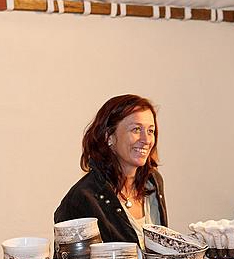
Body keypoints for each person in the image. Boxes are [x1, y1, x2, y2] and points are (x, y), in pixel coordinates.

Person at [54, 94, 168, 248]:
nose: (146, 140)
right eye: (136, 129)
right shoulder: (82, 198)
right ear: (109, 137)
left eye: (150, 131)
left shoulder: (153, 182)